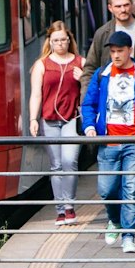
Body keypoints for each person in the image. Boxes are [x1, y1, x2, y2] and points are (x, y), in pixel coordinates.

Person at [80, 31, 135, 254]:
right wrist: (89, 126)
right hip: (108, 142)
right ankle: (115, 220)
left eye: (120, 51)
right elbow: (88, 103)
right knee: (107, 190)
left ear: (130, 50)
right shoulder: (102, 75)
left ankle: (128, 237)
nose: (116, 56)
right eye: (112, 52)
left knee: (131, 190)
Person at [28, 22, 87, 224]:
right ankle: (60, 210)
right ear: (50, 42)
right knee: (56, 165)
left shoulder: (81, 62)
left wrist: (84, 78)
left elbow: (94, 88)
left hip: (71, 119)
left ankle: (69, 207)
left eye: (63, 39)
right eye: (56, 40)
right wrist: (33, 119)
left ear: (69, 40)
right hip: (49, 120)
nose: (60, 43)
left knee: (70, 162)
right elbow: (36, 94)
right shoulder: (42, 65)